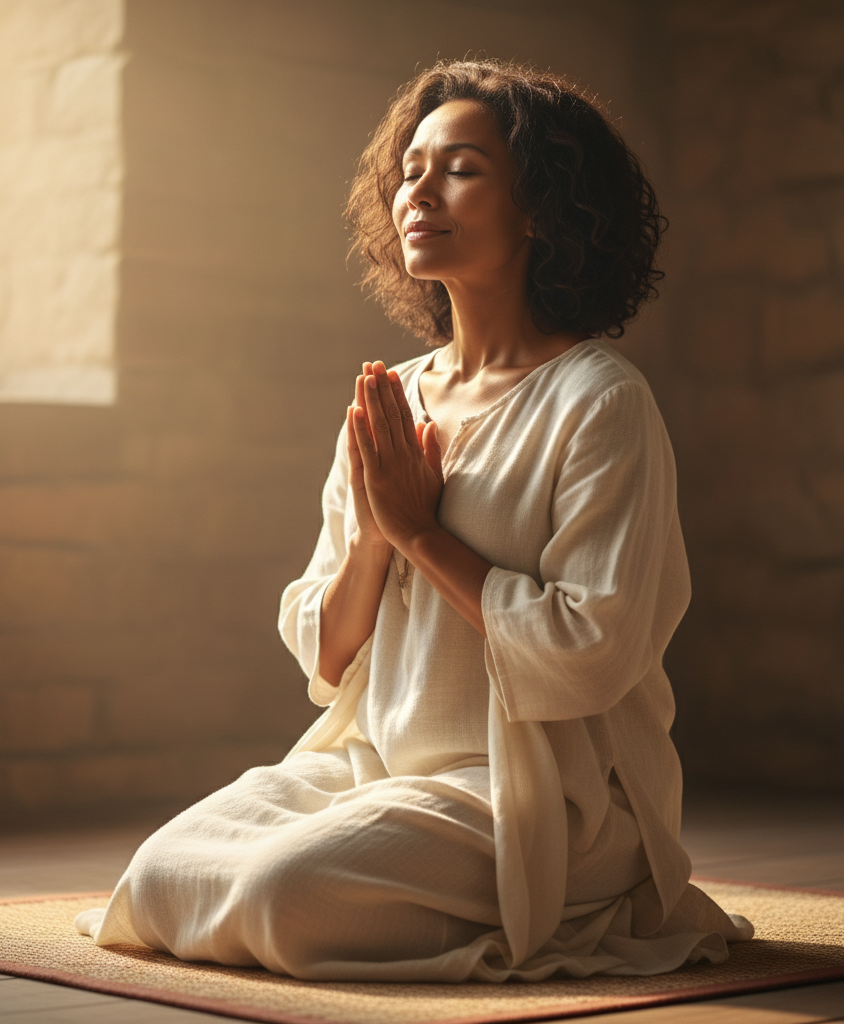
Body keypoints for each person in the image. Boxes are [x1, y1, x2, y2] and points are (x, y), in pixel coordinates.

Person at [74, 58, 753, 982]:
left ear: (539, 208)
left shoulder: (600, 402)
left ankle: (584, 895)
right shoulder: (393, 396)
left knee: (284, 896)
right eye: (411, 170)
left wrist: (425, 535)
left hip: (540, 794)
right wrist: (376, 536)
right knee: (156, 878)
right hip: (375, 767)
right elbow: (326, 653)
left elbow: (593, 651)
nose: (416, 191)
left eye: (460, 168)